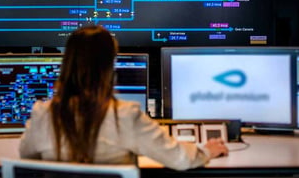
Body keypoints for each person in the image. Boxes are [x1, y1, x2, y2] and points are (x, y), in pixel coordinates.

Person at [19, 25, 228, 170]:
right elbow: (180, 159)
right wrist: (205, 151)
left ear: (67, 66)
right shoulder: (125, 116)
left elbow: (26, 157)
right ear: (109, 69)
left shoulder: (43, 114)